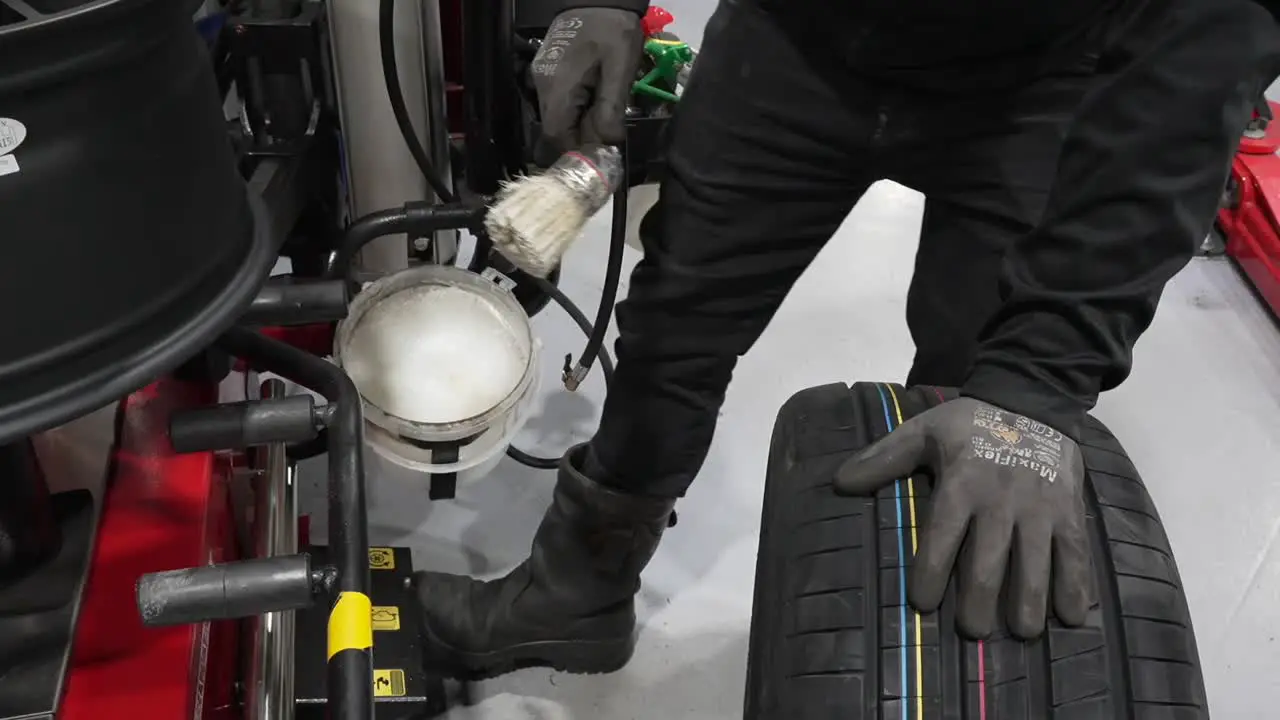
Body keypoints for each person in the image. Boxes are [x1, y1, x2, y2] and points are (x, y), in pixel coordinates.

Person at [411, 0, 1280, 677]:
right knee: (675, 322)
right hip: (798, 37)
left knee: (977, 400)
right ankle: (578, 593)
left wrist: (1038, 378)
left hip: (1045, 74)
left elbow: (1210, 44)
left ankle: (936, 671)